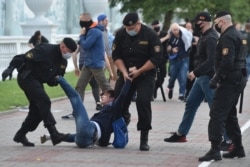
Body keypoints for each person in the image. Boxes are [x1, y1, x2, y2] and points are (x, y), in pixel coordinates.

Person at [1, 37, 77, 147]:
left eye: (71, 52)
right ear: (62, 46)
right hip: (26, 77)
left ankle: (21, 134)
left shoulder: (63, 62)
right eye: (69, 51)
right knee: (44, 101)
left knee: (39, 110)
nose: (69, 54)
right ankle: (54, 134)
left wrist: (55, 80)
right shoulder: (45, 50)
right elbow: (22, 57)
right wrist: (10, 68)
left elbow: (52, 81)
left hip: (37, 81)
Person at [199, 11, 248, 161]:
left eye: (217, 23)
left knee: (217, 114)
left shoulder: (227, 37)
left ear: (223, 22)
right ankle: (238, 149)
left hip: (230, 79)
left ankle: (215, 149)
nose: (216, 26)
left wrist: (216, 79)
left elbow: (227, 61)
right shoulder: (240, 35)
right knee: (230, 115)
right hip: (238, 78)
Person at [164, 11, 218, 142]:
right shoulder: (204, 35)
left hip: (207, 77)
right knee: (191, 104)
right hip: (201, 77)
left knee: (216, 109)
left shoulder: (211, 37)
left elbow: (211, 61)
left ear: (203, 22)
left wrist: (195, 72)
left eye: (197, 22)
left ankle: (228, 139)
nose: (196, 24)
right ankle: (181, 133)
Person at [112, 12, 163, 151]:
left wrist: (139, 71)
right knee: (118, 101)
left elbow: (156, 58)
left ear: (138, 24)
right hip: (126, 74)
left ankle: (144, 138)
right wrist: (123, 72)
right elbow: (116, 56)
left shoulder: (150, 35)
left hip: (145, 74)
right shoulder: (121, 34)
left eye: (132, 27)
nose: (130, 30)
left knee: (143, 102)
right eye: (127, 28)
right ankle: (123, 124)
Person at [41, 76, 131, 148]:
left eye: (105, 95)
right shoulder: (106, 112)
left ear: (112, 99)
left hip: (90, 131)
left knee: (75, 97)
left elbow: (122, 96)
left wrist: (128, 80)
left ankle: (59, 77)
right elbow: (103, 139)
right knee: (77, 135)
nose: (102, 96)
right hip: (85, 142)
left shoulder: (114, 108)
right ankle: (52, 137)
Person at [74, 13, 112, 106]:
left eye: (81, 20)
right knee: (80, 86)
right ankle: (78, 110)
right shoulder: (90, 30)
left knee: (105, 86)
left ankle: (114, 106)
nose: (80, 22)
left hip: (96, 64)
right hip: (88, 63)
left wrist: (82, 35)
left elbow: (86, 45)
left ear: (87, 20)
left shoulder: (94, 31)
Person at [166, 23, 193, 101]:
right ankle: (170, 87)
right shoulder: (171, 37)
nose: (175, 31)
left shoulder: (185, 35)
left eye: (176, 29)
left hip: (184, 58)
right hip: (174, 59)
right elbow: (168, 48)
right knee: (172, 77)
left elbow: (192, 41)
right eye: (173, 30)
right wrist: (172, 50)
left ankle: (181, 95)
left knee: (183, 77)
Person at [151, 20, 168, 100]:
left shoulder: (164, 33)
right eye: (154, 25)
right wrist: (166, 38)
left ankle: (155, 88)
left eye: (157, 25)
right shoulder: (151, 34)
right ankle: (151, 92)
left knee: (163, 76)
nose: (156, 26)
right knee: (152, 76)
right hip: (153, 58)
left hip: (163, 59)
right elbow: (158, 42)